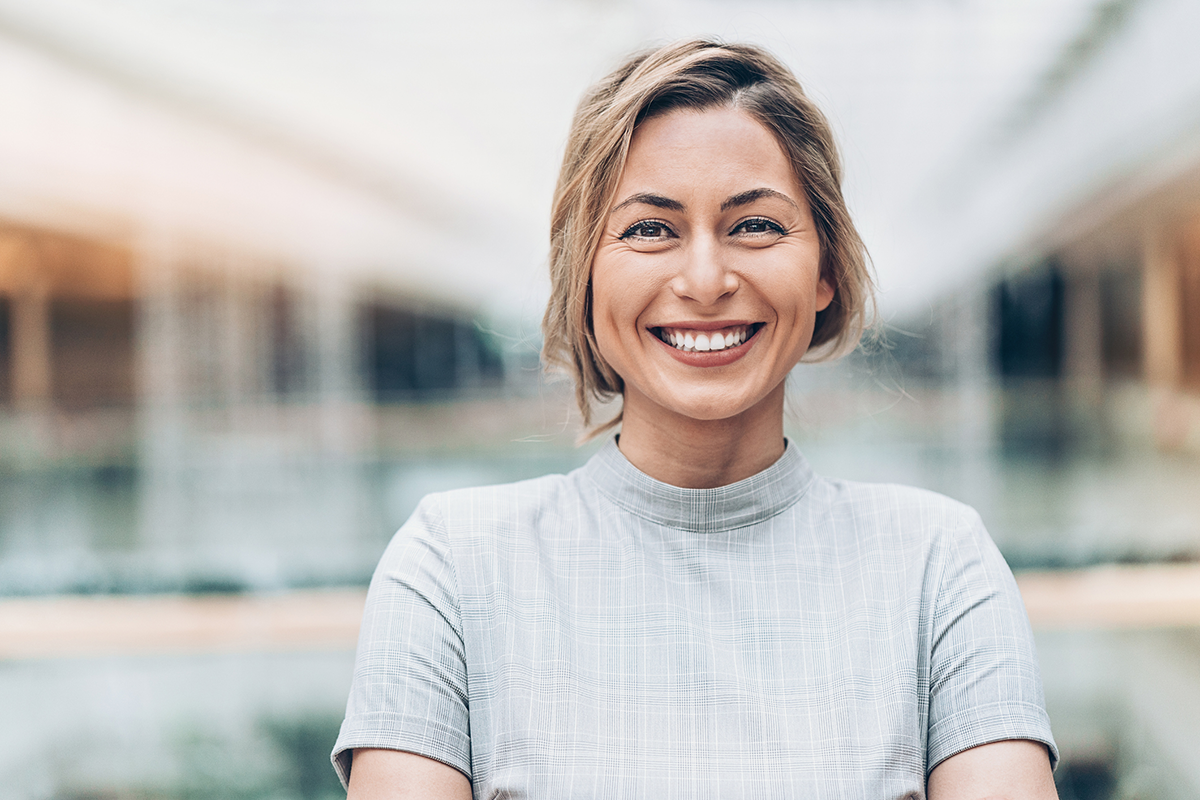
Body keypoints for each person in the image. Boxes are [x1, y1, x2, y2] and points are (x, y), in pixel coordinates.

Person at [332, 39, 1059, 799]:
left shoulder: (939, 567)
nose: (706, 280)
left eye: (755, 226)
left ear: (826, 272)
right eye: (650, 229)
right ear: (582, 275)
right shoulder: (449, 567)